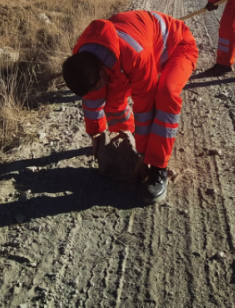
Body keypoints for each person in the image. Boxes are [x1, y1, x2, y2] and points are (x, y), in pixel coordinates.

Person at [62, 10, 198, 204]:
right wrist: (96, 133)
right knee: (113, 103)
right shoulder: (84, 56)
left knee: (166, 94)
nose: (98, 89)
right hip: (135, 52)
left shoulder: (135, 55)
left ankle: (159, 168)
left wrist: (145, 155)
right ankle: (127, 141)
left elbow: (145, 107)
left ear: (102, 71)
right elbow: (93, 97)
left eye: (99, 84)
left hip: (179, 47)